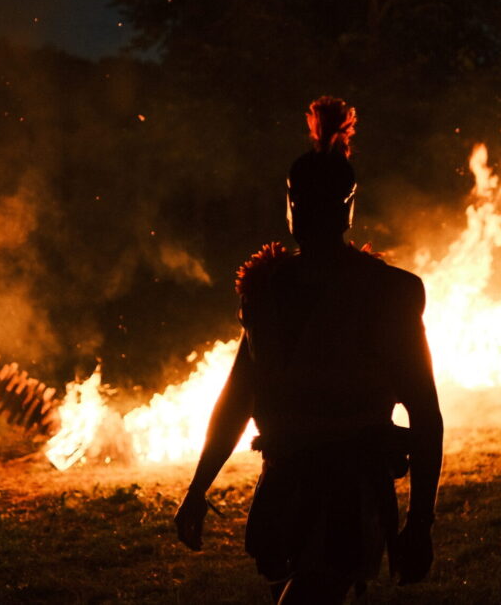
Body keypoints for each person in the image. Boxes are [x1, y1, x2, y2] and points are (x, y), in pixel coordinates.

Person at [174, 96, 443, 604]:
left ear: (344, 207)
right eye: (301, 201)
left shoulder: (388, 293)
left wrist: (421, 522)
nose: (306, 212)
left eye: (313, 203)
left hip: (352, 489)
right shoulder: (269, 290)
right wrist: (197, 488)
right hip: (286, 486)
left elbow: (425, 413)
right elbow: (239, 396)